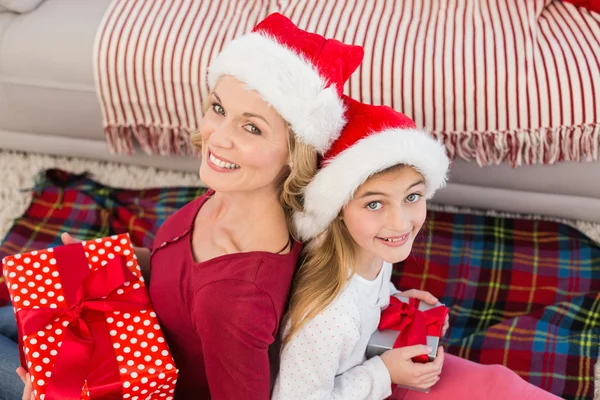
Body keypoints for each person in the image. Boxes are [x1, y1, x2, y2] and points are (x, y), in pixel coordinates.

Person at [13, 13, 364, 400]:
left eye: (252, 128)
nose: (218, 138)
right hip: (130, 331)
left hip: (127, 384)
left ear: (295, 154)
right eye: (218, 108)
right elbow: (178, 275)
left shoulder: (232, 300)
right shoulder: (232, 194)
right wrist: (112, 262)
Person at [272, 95, 561, 400]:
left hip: (382, 370)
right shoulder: (327, 319)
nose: (399, 224)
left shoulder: (372, 249)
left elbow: (364, 301)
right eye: (374, 203)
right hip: (372, 384)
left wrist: (396, 302)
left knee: (500, 384)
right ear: (338, 210)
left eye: (412, 197)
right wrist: (384, 372)